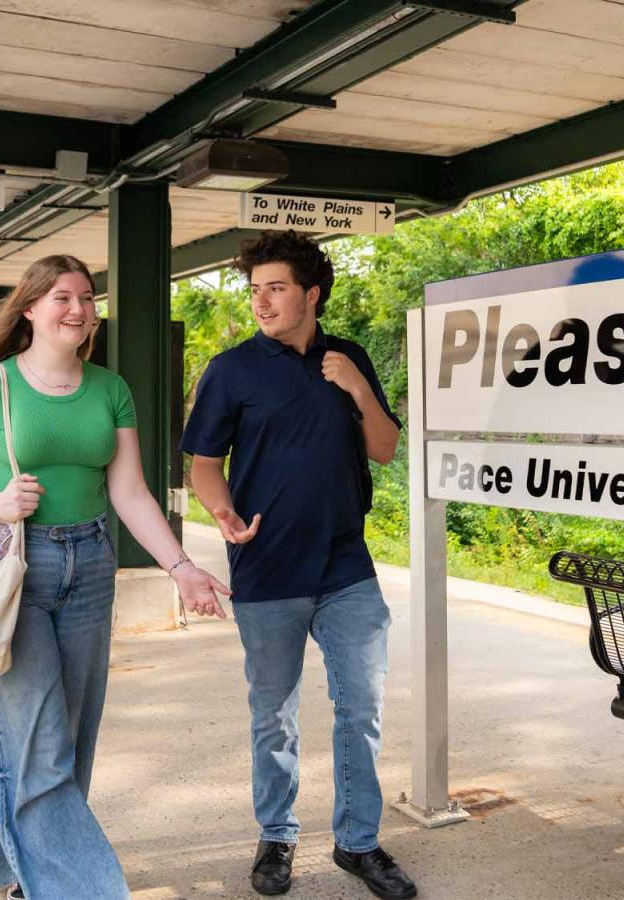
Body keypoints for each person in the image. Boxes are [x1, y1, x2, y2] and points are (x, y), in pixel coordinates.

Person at [0, 254, 230, 900]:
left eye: (87, 298)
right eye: (62, 297)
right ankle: (81, 889)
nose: (79, 309)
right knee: (40, 736)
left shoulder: (110, 389)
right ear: (30, 307)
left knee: (75, 730)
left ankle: (20, 867)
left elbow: (130, 492)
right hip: (16, 568)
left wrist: (181, 568)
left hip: (90, 562)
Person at [181, 231, 413, 899]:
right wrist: (222, 512)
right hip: (266, 568)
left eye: (275, 288)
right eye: (255, 290)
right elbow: (204, 465)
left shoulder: (349, 357)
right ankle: (277, 835)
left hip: (346, 568)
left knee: (361, 706)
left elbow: (385, 449)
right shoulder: (231, 370)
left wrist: (357, 388)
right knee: (273, 715)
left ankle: (358, 843)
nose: (261, 301)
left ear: (312, 294)